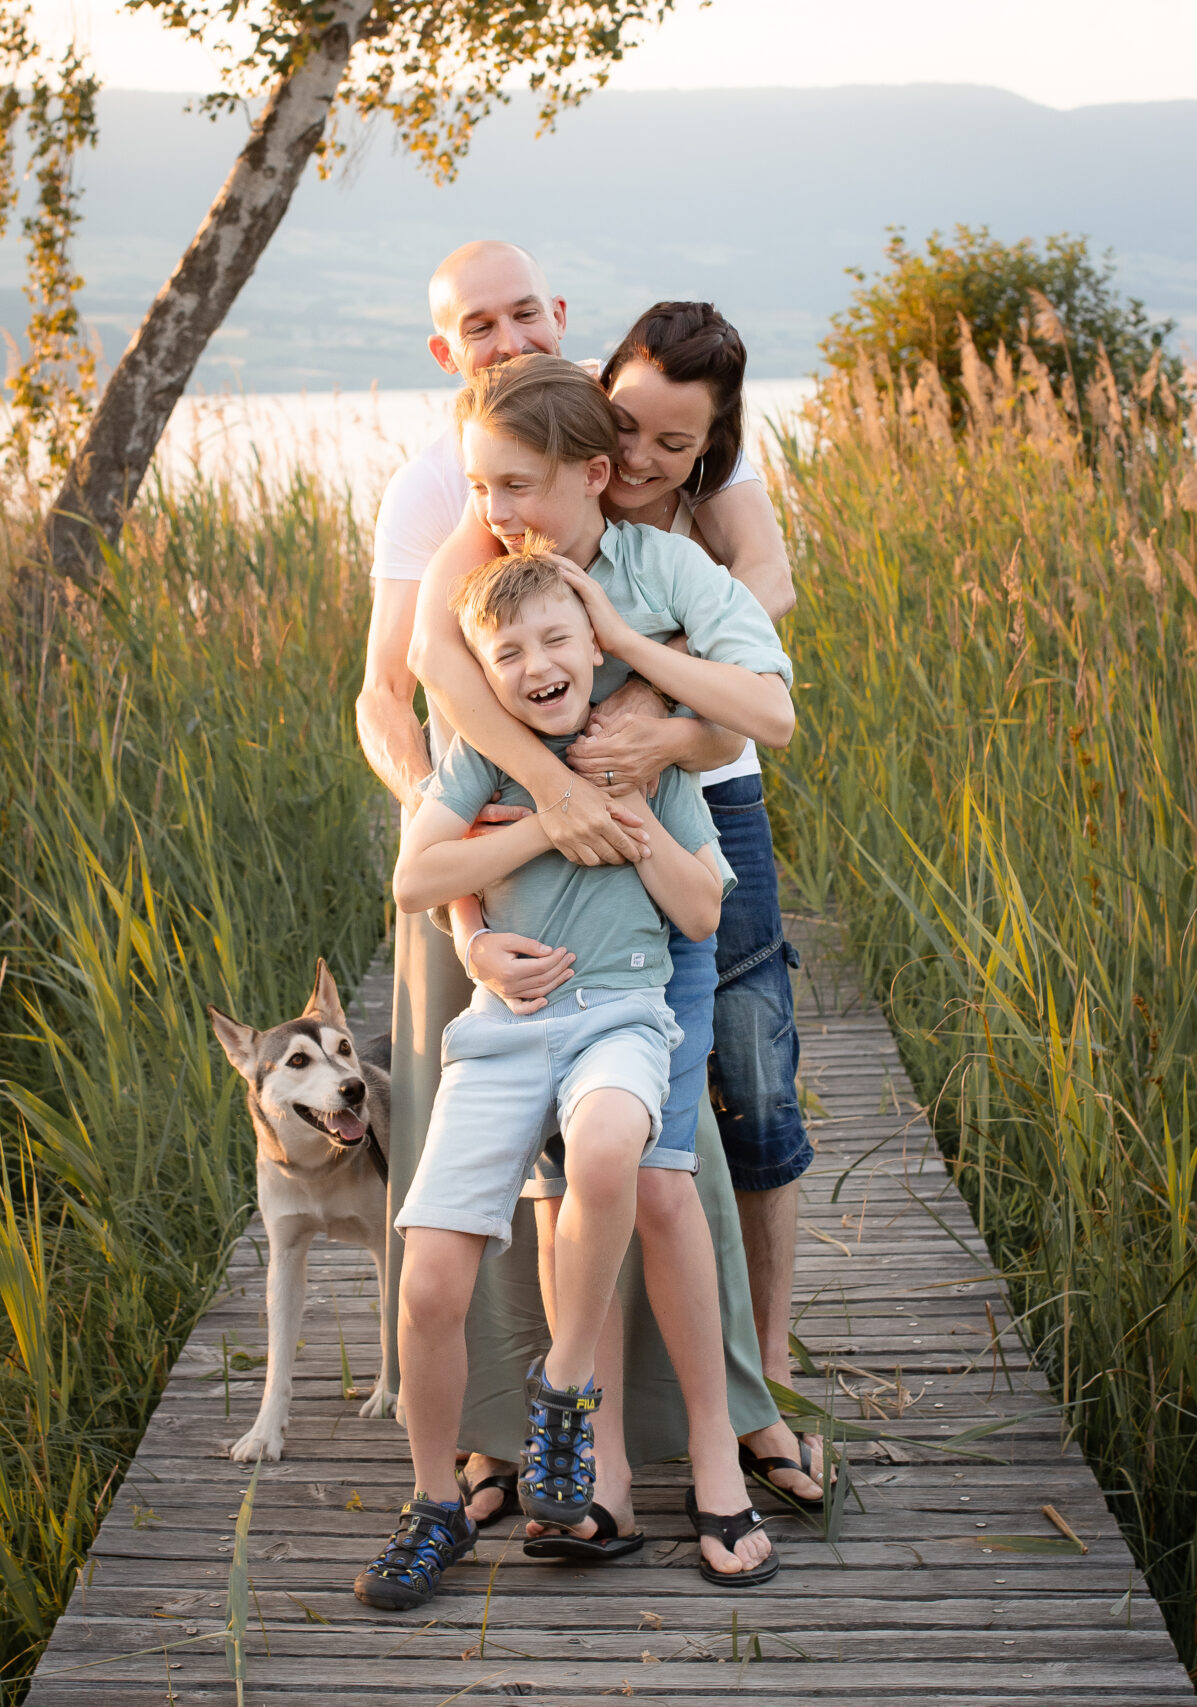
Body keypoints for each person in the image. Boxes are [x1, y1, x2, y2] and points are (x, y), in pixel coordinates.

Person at [357, 241, 819, 1538]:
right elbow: (426, 682)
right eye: (475, 324)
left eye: (522, 314)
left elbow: (761, 644)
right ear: (449, 353)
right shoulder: (463, 507)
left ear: (564, 329)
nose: (503, 336)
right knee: (551, 1163)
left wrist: (657, 709)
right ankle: (535, 1443)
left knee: (689, 1139)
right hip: (525, 858)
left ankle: (732, 1410)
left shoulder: (659, 507)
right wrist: (523, 828)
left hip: (683, 835)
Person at [354, 542, 781, 1610]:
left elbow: (697, 912)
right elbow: (416, 878)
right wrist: (544, 826)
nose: (537, 663)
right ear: (484, 678)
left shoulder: (642, 760)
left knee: (605, 1150)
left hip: (623, 1020)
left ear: (594, 646)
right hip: (503, 1034)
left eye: (556, 640)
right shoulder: (479, 765)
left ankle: (562, 1386)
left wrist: (630, 829)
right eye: (508, 653)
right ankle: (430, 1508)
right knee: (430, 1279)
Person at [571, 303, 824, 1511]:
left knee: (751, 1071)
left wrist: (672, 718)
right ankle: (595, 1403)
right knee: (608, 1092)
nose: (637, 458)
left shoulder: (712, 503)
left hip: (712, 801)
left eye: (673, 445)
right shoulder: (559, 457)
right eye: (623, 424)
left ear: (710, 445)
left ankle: (764, 1370)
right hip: (574, 827)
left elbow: (765, 594)